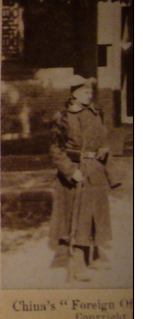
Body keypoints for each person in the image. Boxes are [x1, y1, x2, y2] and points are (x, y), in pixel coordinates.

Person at [48, 75, 113, 282]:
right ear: (74, 93)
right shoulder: (63, 117)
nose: (90, 95)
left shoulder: (94, 113)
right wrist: (69, 171)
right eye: (86, 92)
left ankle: (93, 256)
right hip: (76, 172)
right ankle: (78, 264)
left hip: (95, 171)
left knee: (96, 215)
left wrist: (103, 149)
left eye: (91, 91)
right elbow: (55, 149)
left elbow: (102, 138)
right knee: (79, 220)